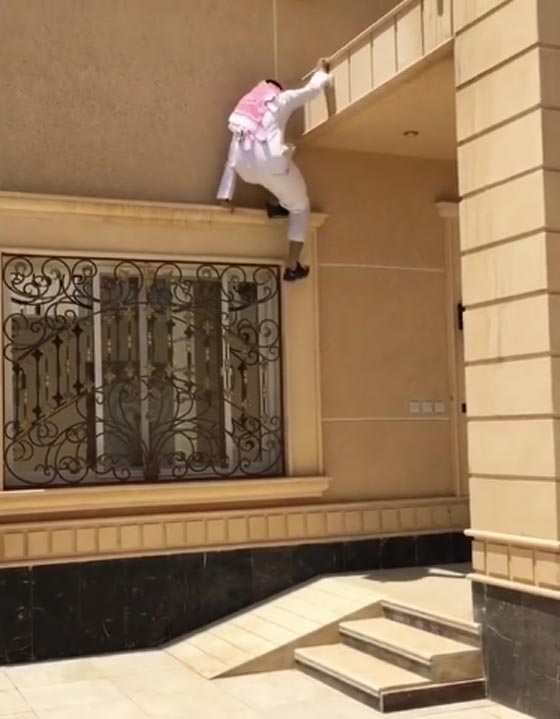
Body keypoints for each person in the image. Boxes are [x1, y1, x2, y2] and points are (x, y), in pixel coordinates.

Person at [216, 59, 332, 281]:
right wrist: (321, 72)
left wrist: (225, 195)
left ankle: (279, 206)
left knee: (283, 184)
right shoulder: (280, 100)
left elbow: (233, 152)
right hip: (271, 165)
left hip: (246, 169)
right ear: (275, 90)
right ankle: (293, 264)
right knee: (301, 206)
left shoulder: (244, 112)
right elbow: (311, 91)